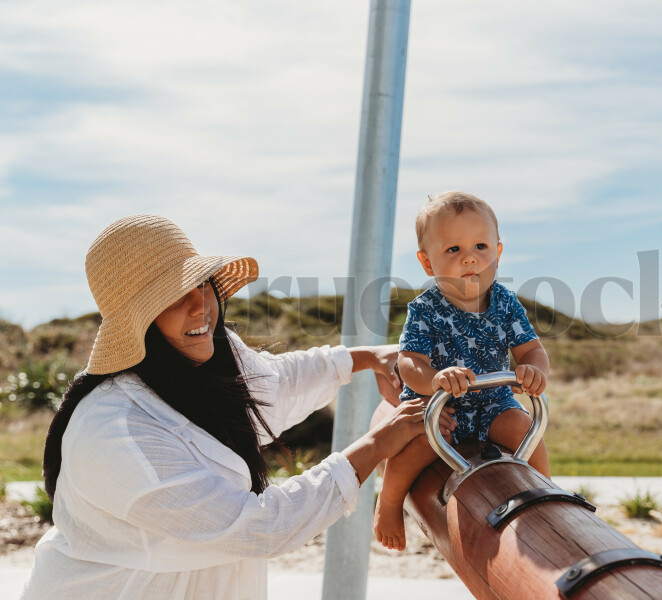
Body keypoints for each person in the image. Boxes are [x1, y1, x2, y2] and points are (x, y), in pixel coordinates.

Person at [21, 215, 425, 600]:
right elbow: (256, 527)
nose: (200, 306)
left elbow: (277, 383)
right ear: (137, 322)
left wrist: (368, 356)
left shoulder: (208, 358)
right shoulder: (115, 430)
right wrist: (376, 445)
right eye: (174, 296)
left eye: (201, 284)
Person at [372, 191, 551, 551]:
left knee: (522, 427)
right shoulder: (425, 309)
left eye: (481, 246)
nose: (470, 257)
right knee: (424, 440)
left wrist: (532, 369)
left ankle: (549, 495)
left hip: (493, 402)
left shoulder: (505, 303)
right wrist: (434, 379)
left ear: (498, 253)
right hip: (439, 404)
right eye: (453, 250)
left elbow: (531, 348)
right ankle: (389, 504)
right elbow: (409, 362)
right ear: (427, 262)